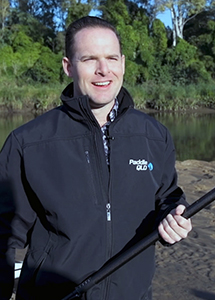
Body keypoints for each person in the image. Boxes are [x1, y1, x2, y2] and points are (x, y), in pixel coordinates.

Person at [0, 16, 192, 300]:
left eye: (112, 58)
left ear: (123, 63)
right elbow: (4, 234)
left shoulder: (154, 135)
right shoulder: (28, 142)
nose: (104, 70)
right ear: (68, 66)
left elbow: (168, 197)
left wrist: (174, 217)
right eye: (90, 59)